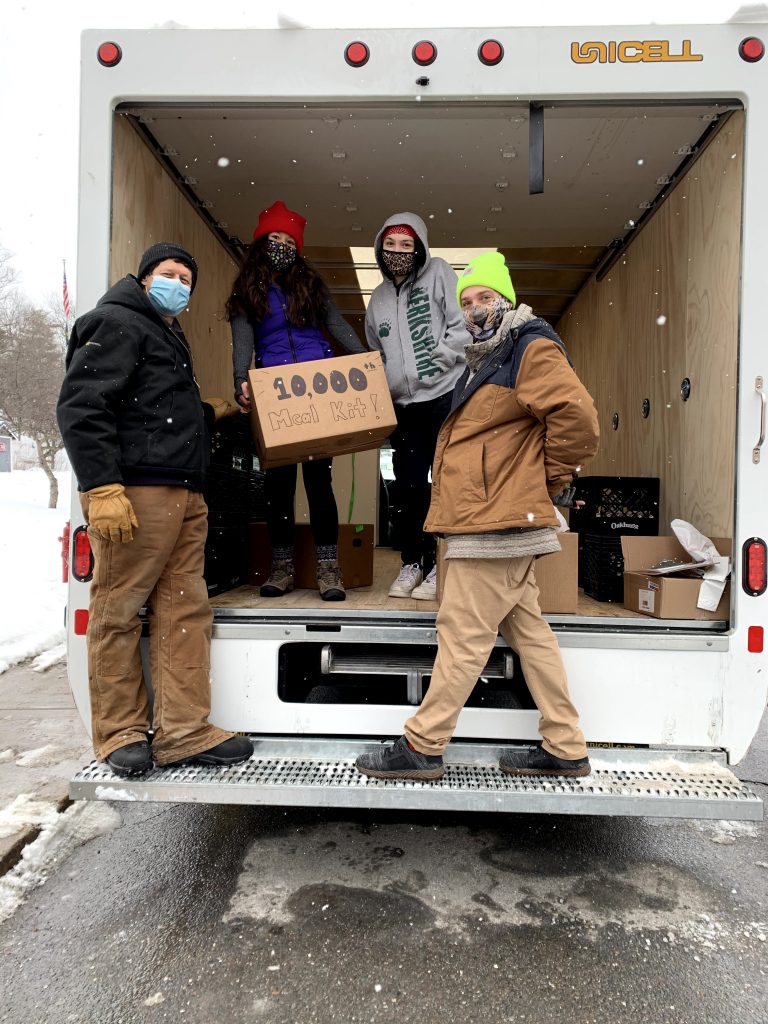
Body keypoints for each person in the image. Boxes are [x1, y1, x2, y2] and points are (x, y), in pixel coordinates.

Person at [355, 250, 600, 781]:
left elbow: (578, 418)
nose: (475, 309)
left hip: (496, 527)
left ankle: (423, 745)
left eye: (486, 297)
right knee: (530, 634)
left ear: (507, 300)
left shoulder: (528, 347)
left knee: (462, 634)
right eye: (466, 302)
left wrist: (548, 480)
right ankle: (565, 744)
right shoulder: (487, 359)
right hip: (492, 523)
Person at [56, 242, 254, 778]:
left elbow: (153, 405)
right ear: (144, 278)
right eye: (169, 274)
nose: (179, 285)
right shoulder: (117, 321)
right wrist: (101, 487)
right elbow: (82, 406)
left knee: (185, 611)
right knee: (118, 611)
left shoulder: (165, 332)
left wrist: (205, 409)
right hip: (137, 495)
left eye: (187, 279)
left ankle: (183, 731)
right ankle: (120, 732)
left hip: (185, 494)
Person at [229, 200, 365, 601]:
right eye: (275, 238)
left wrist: (363, 359)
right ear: (260, 243)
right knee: (279, 486)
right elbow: (243, 341)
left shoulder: (311, 285)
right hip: (276, 392)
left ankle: (328, 570)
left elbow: (336, 323)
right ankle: (282, 567)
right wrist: (242, 380)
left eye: (289, 240)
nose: (282, 245)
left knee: (319, 484)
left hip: (317, 387)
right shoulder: (246, 291)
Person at [365, 213, 467, 601]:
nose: (398, 253)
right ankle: (413, 563)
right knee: (408, 489)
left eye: (406, 246)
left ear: (420, 248)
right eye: (390, 246)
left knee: (445, 483)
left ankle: (442, 566)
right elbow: (375, 353)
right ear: (380, 249)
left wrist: (438, 360)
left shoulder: (439, 273)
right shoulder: (376, 299)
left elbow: (459, 326)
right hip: (403, 407)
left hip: (443, 396)